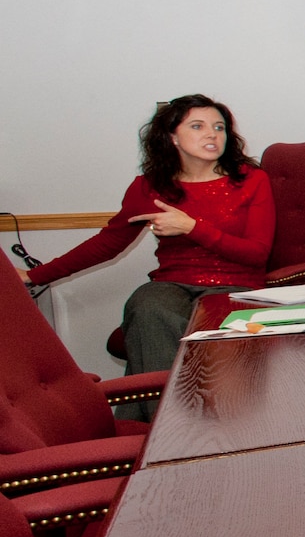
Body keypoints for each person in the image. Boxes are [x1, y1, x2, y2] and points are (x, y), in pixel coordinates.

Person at [18, 95, 274, 375]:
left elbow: (256, 254)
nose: (212, 134)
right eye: (198, 126)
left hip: (237, 287)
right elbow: (107, 244)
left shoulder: (251, 180)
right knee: (147, 307)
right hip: (171, 284)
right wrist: (36, 275)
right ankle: (164, 412)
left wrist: (191, 227)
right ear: (172, 137)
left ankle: (177, 412)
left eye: (219, 127)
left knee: (202, 330)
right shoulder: (149, 187)